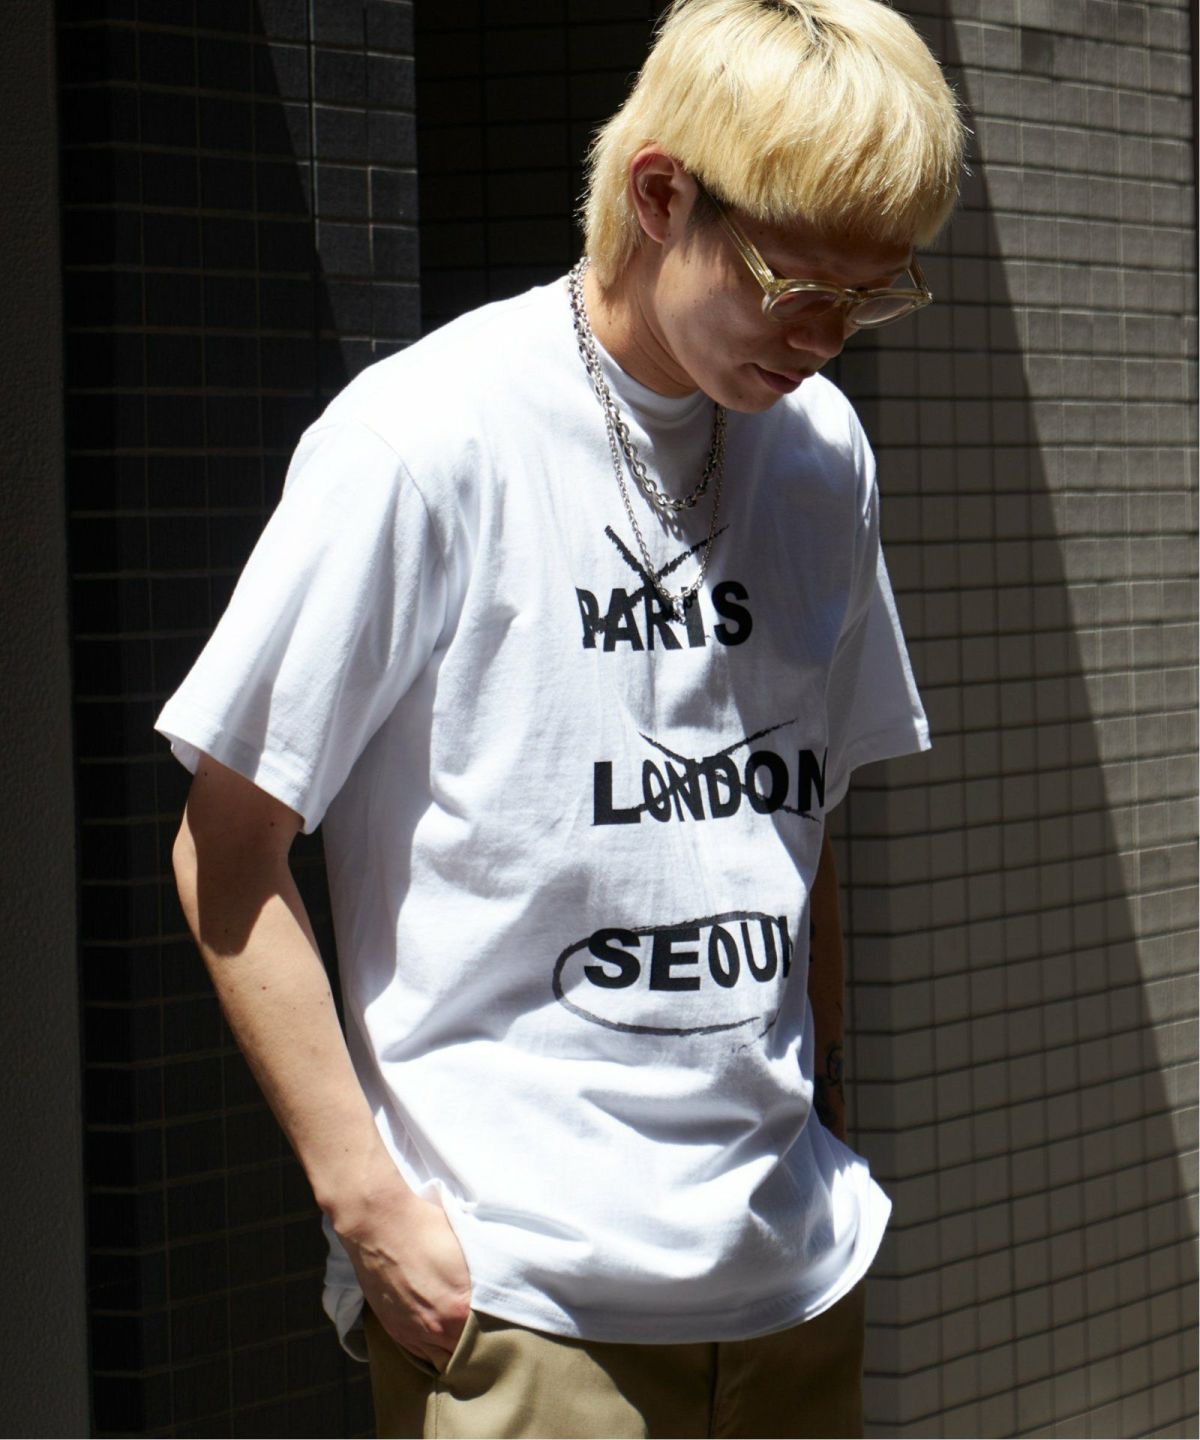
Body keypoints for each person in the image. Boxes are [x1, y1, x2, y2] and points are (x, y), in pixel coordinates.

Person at [159, 1, 964, 1434]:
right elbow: (227, 846)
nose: (826, 340)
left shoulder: (821, 454)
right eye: (794, 286)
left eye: (869, 297)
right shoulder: (425, 440)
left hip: (789, 1277)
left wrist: (825, 1111)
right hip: (522, 1301)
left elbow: (801, 815)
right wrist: (367, 1206)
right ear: (660, 195)